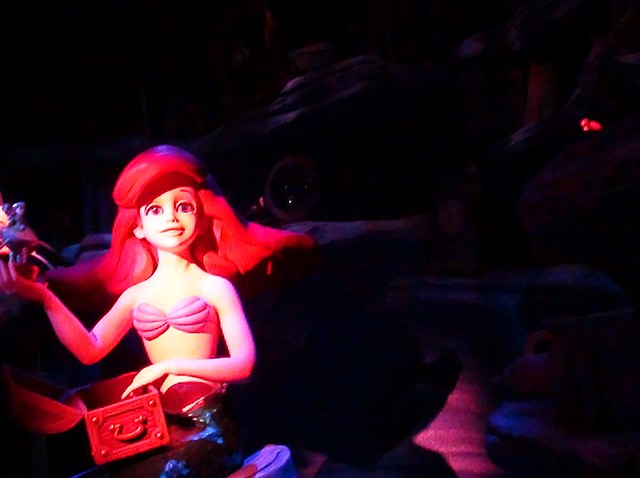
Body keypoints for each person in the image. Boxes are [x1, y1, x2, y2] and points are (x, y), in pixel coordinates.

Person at [0, 145, 296, 476]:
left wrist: (166, 366)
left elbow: (244, 364)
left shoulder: (214, 287)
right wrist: (45, 299)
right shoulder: (136, 295)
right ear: (138, 226)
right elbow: (89, 350)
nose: (171, 217)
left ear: (200, 219)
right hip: (160, 426)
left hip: (209, 425)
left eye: (183, 206)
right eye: (155, 209)